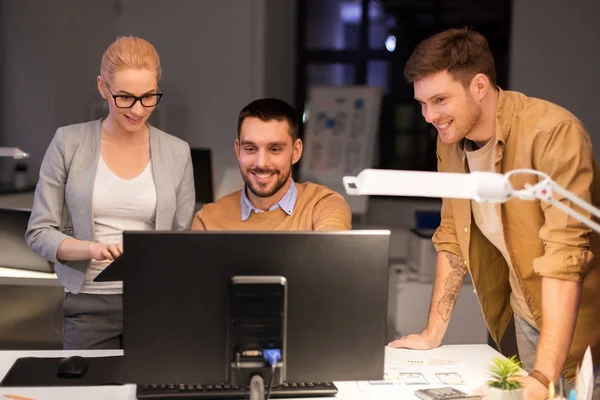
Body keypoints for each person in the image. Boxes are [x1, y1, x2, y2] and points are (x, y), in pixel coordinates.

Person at [387, 28, 600, 399]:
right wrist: (432, 332)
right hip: (520, 314)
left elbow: (564, 257)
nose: (429, 116)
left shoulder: (553, 133)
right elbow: (453, 231)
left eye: (439, 100)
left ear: (480, 86)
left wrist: (542, 377)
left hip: (577, 328)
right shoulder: (450, 139)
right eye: (422, 103)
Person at [26, 36, 195, 350]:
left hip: (154, 304)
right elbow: (38, 232)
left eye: (148, 97)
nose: (137, 109)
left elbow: (182, 240)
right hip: (88, 304)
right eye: (125, 98)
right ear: (103, 88)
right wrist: (91, 249)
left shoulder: (177, 152)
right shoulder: (68, 143)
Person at [192, 98, 351, 231]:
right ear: (238, 150)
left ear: (295, 151)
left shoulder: (323, 205)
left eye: (275, 149)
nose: (261, 163)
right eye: (250, 148)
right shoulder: (208, 220)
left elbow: (330, 263)